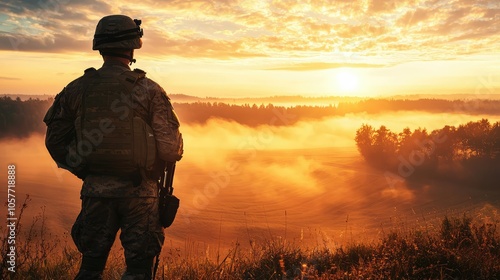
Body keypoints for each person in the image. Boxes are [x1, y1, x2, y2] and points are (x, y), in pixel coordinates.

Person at [44, 15, 183, 280]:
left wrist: (86, 170)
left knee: (90, 268)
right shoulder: (149, 90)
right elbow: (169, 149)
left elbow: (55, 142)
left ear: (99, 45)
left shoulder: (76, 89)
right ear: (133, 46)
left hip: (95, 193)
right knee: (138, 271)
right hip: (141, 195)